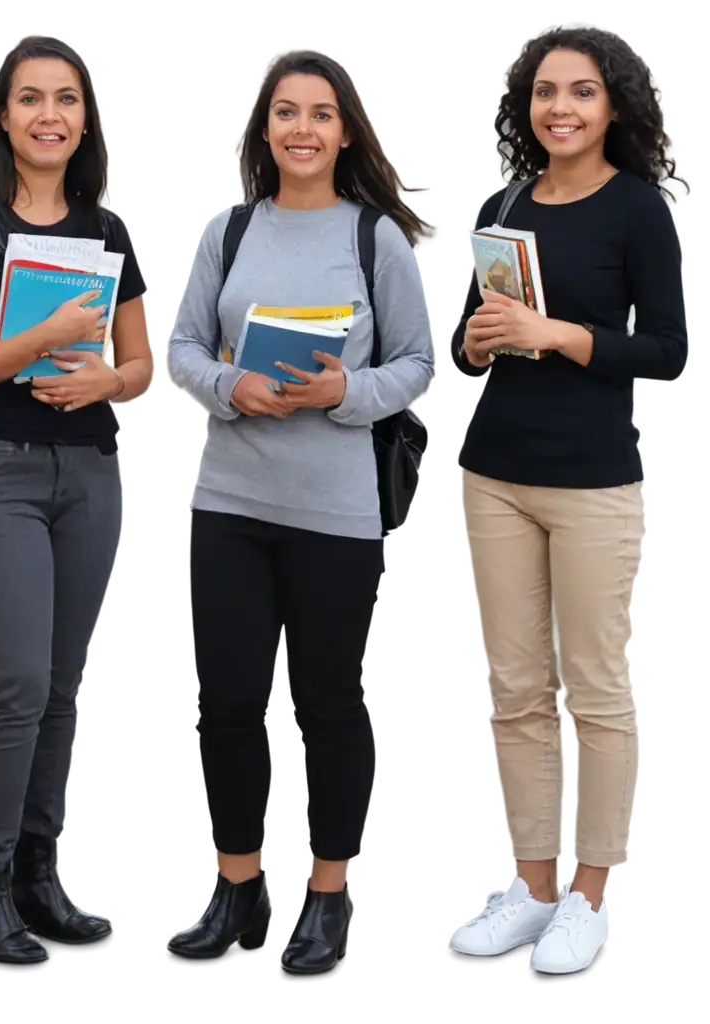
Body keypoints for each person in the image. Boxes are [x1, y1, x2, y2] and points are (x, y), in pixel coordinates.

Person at [165, 52, 432, 975]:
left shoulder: (376, 241)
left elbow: (417, 368)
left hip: (336, 513)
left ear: (345, 133)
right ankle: (235, 892)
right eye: (287, 113)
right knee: (234, 702)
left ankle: (325, 897)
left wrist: (341, 390)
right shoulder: (227, 231)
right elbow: (182, 352)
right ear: (267, 130)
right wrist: (234, 385)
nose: (304, 129)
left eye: (321, 114)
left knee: (328, 704)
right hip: (230, 504)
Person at [445, 23, 686, 975]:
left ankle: (592, 897)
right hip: (497, 473)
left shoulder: (638, 212)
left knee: (597, 692)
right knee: (515, 694)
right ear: (525, 107)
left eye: (580, 92)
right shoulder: (502, 201)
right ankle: (532, 887)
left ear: (612, 107)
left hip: (591, 482)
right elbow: (472, 322)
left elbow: (669, 354)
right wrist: (474, 339)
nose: (560, 108)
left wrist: (561, 333)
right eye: (545, 92)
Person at [0, 36, 151, 965]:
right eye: (30, 99)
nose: (49, 115)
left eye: (65, 99)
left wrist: (107, 380)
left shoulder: (110, 231)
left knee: (61, 688)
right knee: (12, 683)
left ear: (84, 118)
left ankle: (40, 880)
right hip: (2, 475)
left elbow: (140, 364)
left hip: (89, 474)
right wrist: (45, 338)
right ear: (5, 118)